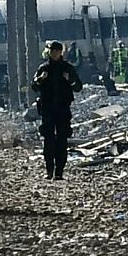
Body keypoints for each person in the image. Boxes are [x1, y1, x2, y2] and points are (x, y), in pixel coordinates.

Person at [32, 40, 83, 180]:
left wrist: (70, 79)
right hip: (47, 109)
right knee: (48, 139)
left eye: (57, 51)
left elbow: (78, 87)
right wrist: (40, 79)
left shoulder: (67, 68)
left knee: (62, 139)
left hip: (62, 109)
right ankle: (49, 170)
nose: (54, 53)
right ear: (49, 52)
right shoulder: (44, 68)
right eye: (52, 51)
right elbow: (34, 86)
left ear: (61, 52)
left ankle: (59, 172)